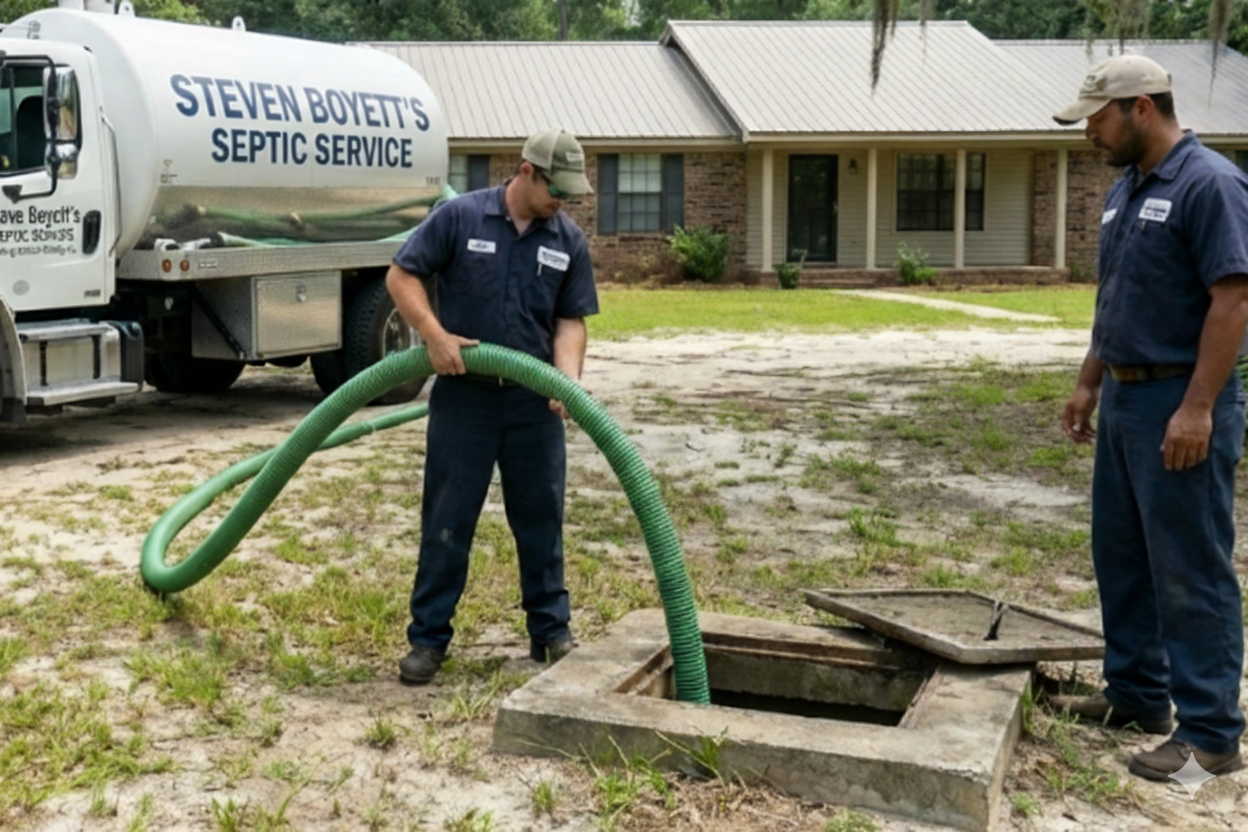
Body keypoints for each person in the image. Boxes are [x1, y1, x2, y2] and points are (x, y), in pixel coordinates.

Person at [1052, 54, 1248, 781]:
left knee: (1188, 566)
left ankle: (1211, 734)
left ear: (1140, 107)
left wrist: (1198, 406)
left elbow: (1233, 301)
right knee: (1123, 554)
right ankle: (1138, 697)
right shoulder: (1125, 191)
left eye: (1096, 119)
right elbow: (1116, 299)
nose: (1089, 135)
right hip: (1127, 398)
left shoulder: (1212, 185)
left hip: (1181, 398)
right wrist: (1088, 383)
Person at [385, 128, 598, 685]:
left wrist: (566, 381)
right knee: (448, 521)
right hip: (465, 401)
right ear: (526, 171)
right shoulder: (461, 218)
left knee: (540, 518)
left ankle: (550, 632)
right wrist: (433, 333)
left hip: (532, 407)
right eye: (557, 187)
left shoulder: (567, 240)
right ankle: (428, 640)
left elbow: (570, 321)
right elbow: (402, 275)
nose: (564, 200)